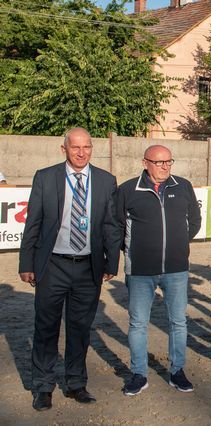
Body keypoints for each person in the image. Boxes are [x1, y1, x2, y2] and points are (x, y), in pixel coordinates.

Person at [18, 128, 118, 411]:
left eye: (87, 147)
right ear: (64, 149)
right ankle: (43, 386)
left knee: (80, 328)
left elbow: (111, 225)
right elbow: (33, 223)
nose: (82, 152)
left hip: (88, 267)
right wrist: (27, 263)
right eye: (76, 147)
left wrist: (111, 262)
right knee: (46, 328)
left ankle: (76, 383)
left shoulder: (105, 180)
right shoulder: (45, 177)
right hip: (53, 265)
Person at [108, 145, 202, 396]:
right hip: (139, 270)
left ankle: (177, 371)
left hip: (176, 269)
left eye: (168, 162)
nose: (164, 167)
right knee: (138, 323)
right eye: (159, 162)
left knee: (178, 321)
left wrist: (177, 244)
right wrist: (132, 251)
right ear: (145, 163)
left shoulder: (182, 186)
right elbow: (115, 226)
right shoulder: (128, 190)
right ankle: (139, 374)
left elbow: (194, 221)